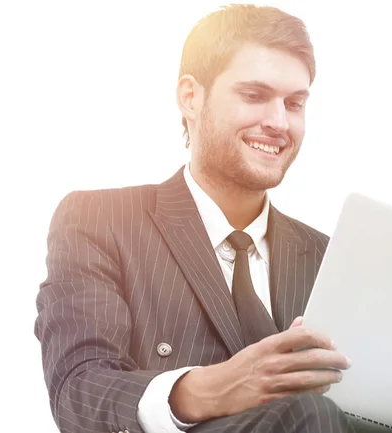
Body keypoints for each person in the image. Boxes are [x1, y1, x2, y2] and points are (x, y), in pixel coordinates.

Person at [35, 4, 364, 433]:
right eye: (254, 96)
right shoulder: (100, 221)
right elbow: (80, 392)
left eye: (295, 103)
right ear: (190, 96)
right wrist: (216, 386)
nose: (279, 122)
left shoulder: (330, 257)